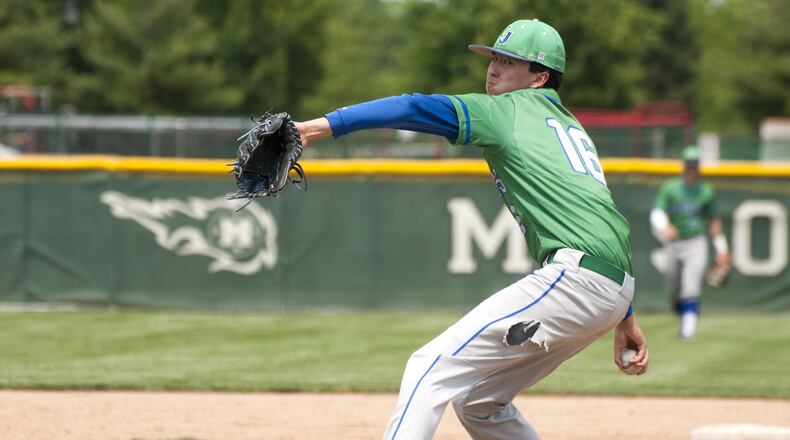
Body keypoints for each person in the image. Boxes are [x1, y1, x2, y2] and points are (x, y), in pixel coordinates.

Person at [295, 19, 649, 440]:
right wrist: (624, 317)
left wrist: (318, 126)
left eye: (509, 61)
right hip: (610, 286)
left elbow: (413, 106)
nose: (494, 69)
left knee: (429, 367)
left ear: (539, 78)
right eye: (494, 58)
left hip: (576, 280)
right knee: (480, 403)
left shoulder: (508, 110)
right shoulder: (570, 129)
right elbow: (603, 219)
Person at [651, 146, 731, 341]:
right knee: (673, 288)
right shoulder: (670, 187)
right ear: (683, 166)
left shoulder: (706, 191)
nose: (692, 169)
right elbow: (657, 211)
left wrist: (722, 249)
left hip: (696, 241)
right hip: (674, 243)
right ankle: (681, 310)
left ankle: (687, 331)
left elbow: (714, 221)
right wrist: (665, 226)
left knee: (691, 287)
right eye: (689, 165)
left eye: (695, 165)